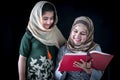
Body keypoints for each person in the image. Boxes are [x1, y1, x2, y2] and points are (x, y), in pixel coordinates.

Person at [18, 1, 66, 80]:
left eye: (52, 18)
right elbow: (22, 58)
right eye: (45, 18)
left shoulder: (55, 32)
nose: (49, 22)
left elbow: (65, 47)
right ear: (36, 18)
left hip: (51, 77)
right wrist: (22, 77)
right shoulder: (29, 35)